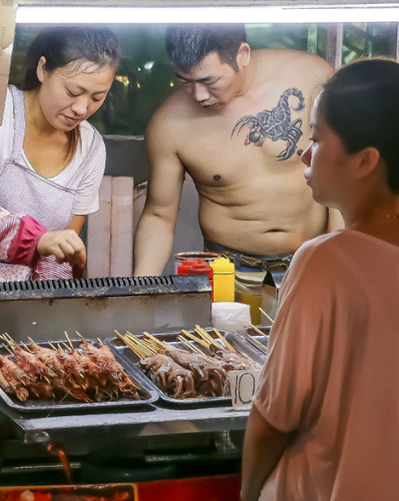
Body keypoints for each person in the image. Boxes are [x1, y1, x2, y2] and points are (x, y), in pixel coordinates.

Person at [234, 59, 399, 501]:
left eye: (317, 138)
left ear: (366, 160)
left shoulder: (323, 261)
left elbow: (272, 418)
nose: (304, 152)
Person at [134, 25, 340, 298]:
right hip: (227, 273)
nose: (199, 95)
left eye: (209, 81)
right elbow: (159, 215)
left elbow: (342, 173)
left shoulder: (311, 77)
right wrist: (139, 290)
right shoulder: (169, 125)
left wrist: (339, 260)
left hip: (312, 264)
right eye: (185, 81)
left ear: (242, 54)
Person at [0, 27, 121, 281]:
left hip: (26, 307)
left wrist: (49, 308)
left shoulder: (91, 147)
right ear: (42, 69)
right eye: (73, 92)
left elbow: (60, 255)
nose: (82, 108)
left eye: (97, 97)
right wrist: (38, 239)